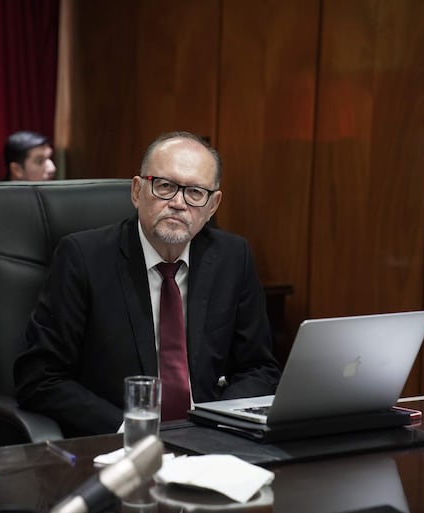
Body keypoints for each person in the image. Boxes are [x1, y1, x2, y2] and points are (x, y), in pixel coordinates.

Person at [14, 131, 280, 437]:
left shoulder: (233, 257)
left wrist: (218, 424)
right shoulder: (84, 257)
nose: (178, 203)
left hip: (211, 444)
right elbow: (39, 378)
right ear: (138, 191)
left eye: (195, 192)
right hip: (116, 444)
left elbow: (259, 367)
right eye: (165, 186)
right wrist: (132, 428)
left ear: (212, 206)